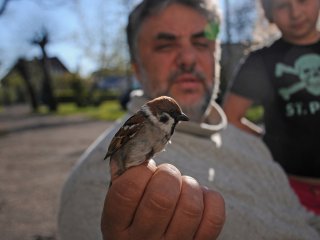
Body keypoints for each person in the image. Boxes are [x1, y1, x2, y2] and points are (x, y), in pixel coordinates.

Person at [58, 0, 320, 239]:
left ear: (216, 58)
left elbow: (302, 219)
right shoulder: (99, 183)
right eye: (166, 45)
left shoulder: (250, 142)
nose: (187, 59)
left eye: (201, 43)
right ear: (136, 68)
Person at [223, 0, 320, 215]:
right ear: (269, 14)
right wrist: (267, 142)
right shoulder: (261, 61)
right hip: (290, 188)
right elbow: (230, 116)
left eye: (302, 1)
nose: (295, 12)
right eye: (282, 6)